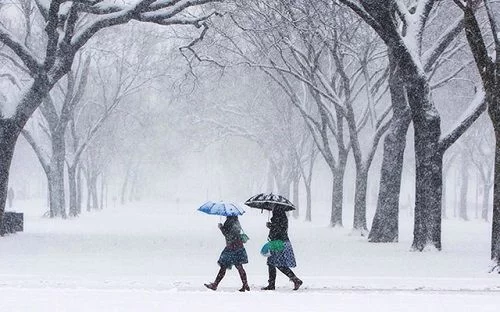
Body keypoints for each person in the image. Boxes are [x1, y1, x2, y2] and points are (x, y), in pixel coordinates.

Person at [204, 216, 250, 292]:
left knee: (224, 266)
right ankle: (245, 285)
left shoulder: (229, 221)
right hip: (238, 246)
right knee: (239, 266)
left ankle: (215, 285)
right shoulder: (236, 221)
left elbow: (228, 235)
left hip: (231, 248)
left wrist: (221, 228)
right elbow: (233, 234)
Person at [262, 207, 303, 290]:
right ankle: (292, 280)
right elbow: (280, 229)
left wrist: (271, 226)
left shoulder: (277, 219)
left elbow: (278, 230)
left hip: (278, 243)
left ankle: (294, 280)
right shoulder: (282, 218)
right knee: (273, 263)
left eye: (274, 209)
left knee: (275, 263)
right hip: (280, 242)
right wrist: (271, 226)